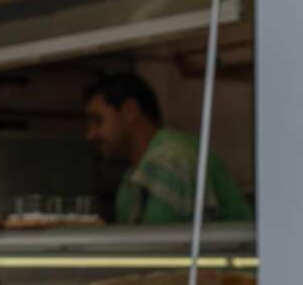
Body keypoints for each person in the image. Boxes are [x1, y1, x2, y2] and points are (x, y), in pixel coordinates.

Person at [84, 71, 253, 225]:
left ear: (129, 110)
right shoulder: (135, 173)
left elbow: (154, 244)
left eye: (98, 121)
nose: (90, 134)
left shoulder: (169, 158)